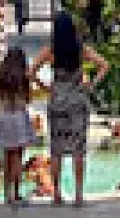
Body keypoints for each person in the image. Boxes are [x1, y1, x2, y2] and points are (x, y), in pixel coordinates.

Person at [30, 11, 109, 207]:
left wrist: (45, 87)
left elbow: (30, 72)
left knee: (56, 150)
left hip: (57, 101)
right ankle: (79, 194)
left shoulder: (51, 51)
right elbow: (104, 65)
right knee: (78, 150)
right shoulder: (81, 50)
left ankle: (56, 194)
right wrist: (90, 84)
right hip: (77, 101)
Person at [0, 46, 34, 206]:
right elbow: (28, 99)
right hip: (18, 116)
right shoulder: (23, 77)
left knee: (6, 156)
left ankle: (6, 195)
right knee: (18, 156)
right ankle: (16, 194)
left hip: (4, 116)